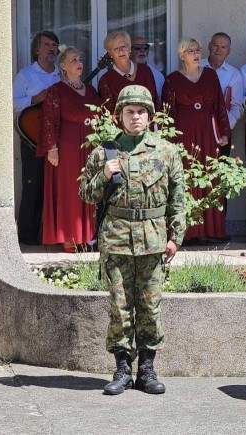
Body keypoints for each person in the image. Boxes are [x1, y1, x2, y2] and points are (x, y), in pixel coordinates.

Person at [79, 85, 186, 396]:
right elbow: (85, 193)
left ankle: (148, 370)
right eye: (130, 112)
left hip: (153, 240)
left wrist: (176, 237)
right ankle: (123, 368)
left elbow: (178, 198)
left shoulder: (166, 152)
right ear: (119, 116)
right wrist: (103, 175)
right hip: (116, 240)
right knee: (120, 307)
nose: (136, 117)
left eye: (141, 112)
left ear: (150, 116)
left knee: (150, 308)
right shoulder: (105, 152)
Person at [161, 38, 231, 242]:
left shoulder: (210, 75)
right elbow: (168, 111)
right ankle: (188, 232)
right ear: (181, 55)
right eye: (191, 50)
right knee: (186, 177)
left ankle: (211, 230)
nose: (196, 53)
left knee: (210, 176)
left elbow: (219, 105)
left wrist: (224, 131)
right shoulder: (172, 79)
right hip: (184, 134)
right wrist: (168, 140)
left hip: (208, 134)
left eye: (198, 49)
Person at [38, 46, 101, 252]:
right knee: (70, 191)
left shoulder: (90, 90)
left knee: (89, 189)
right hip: (68, 147)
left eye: (80, 58)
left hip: (89, 146)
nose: (78, 62)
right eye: (73, 59)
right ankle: (69, 237)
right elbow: (48, 121)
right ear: (63, 66)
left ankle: (87, 236)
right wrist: (52, 148)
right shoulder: (57, 90)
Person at [13, 30, 60, 245]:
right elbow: (11, 103)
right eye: (47, 44)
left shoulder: (62, 74)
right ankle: (28, 238)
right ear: (36, 49)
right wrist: (35, 98)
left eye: (54, 45)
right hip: (32, 137)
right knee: (33, 187)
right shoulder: (25, 75)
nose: (51, 48)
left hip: (57, 140)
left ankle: (51, 235)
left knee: (55, 188)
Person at [98, 30, 161, 115]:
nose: (121, 51)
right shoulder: (106, 80)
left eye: (124, 46)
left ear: (130, 48)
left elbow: (155, 104)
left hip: (148, 126)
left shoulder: (145, 71)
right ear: (110, 54)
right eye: (116, 48)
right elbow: (108, 114)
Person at [203, 32, 244, 131]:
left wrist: (227, 123)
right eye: (215, 45)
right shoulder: (196, 67)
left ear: (229, 51)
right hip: (197, 125)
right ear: (209, 46)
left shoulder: (234, 74)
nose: (218, 50)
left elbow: (237, 106)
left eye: (223, 47)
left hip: (222, 128)